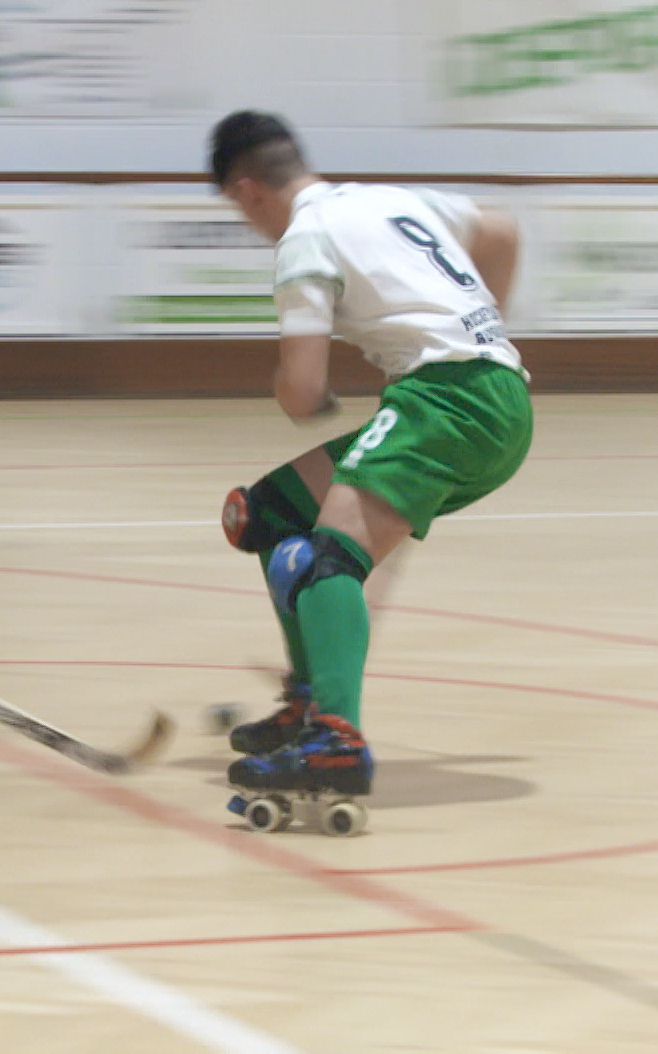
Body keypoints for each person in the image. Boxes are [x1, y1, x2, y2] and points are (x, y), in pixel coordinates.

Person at [210, 110, 533, 805]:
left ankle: (337, 739)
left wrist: (302, 389)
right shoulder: (387, 198)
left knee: (324, 558)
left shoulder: (304, 241)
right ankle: (310, 700)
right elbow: (502, 231)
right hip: (486, 393)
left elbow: (300, 391)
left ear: (247, 192)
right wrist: (482, 332)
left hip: (450, 403)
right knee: (267, 515)